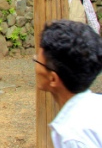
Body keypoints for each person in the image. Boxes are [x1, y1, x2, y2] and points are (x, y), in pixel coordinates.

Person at [34, 20, 102, 148]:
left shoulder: (73, 136)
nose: (35, 67)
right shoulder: (97, 104)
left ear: (53, 79)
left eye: (37, 60)